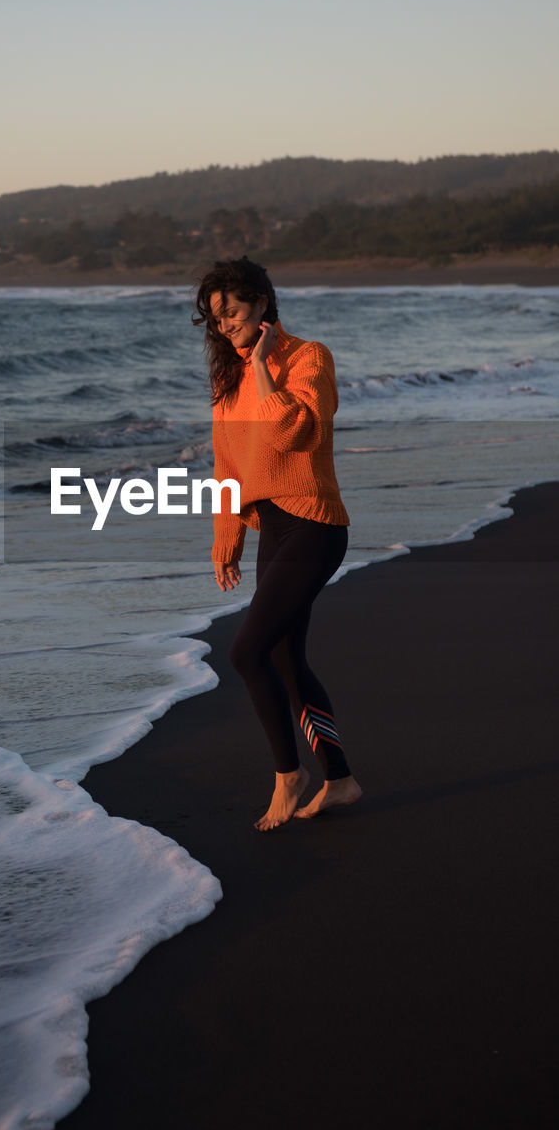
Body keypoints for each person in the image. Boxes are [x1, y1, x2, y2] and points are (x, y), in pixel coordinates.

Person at [194, 256, 362, 829]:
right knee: (287, 658)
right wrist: (227, 539)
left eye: (233, 312)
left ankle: (289, 776)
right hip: (273, 529)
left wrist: (265, 367)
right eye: (217, 319)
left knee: (246, 652)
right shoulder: (226, 385)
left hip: (315, 524)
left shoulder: (308, 358)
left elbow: (292, 432)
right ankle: (340, 781)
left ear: (262, 304)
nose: (226, 326)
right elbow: (227, 468)